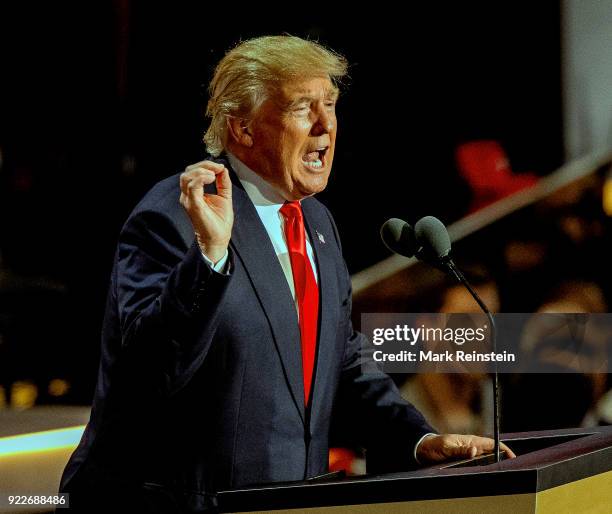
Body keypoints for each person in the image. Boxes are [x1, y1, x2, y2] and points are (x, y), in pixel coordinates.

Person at [59, 36, 514, 513]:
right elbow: (146, 373)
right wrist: (209, 258)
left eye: (331, 105)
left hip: (289, 504)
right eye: (302, 107)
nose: (325, 125)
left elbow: (337, 361)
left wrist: (418, 439)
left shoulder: (316, 221)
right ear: (244, 128)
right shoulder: (174, 215)